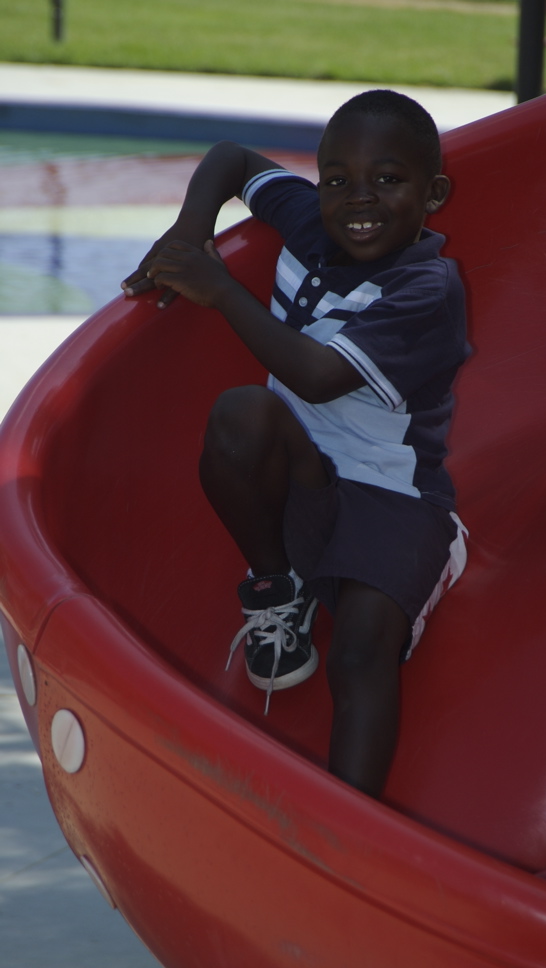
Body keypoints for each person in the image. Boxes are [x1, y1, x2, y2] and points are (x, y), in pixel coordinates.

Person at [121, 89, 469, 799]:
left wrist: (219, 288)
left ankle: (344, 834)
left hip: (395, 498)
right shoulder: (315, 224)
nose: (359, 199)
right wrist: (189, 234)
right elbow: (231, 158)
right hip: (306, 476)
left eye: (389, 180)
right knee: (241, 416)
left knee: (362, 653)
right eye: (338, 180)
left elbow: (316, 377)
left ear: (434, 194)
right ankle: (278, 588)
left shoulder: (426, 287)